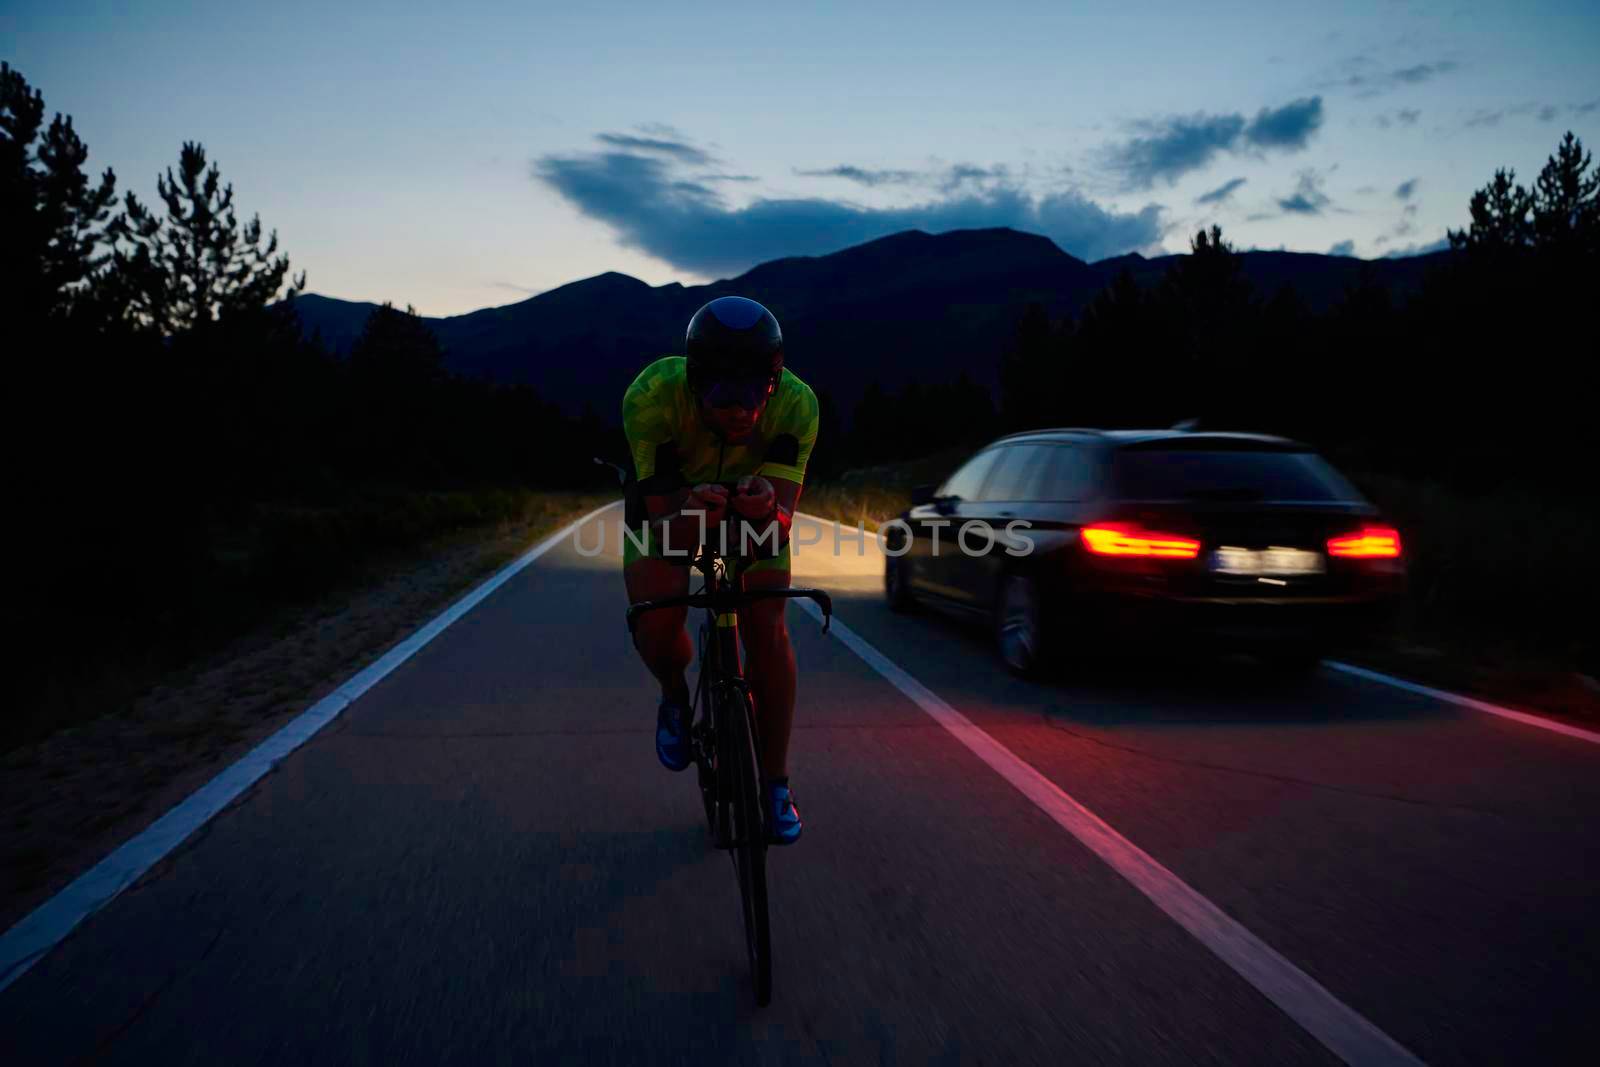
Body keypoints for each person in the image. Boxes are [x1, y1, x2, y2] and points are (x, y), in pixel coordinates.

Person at [621, 296, 819, 845]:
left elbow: (779, 523)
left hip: (747, 510)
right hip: (673, 510)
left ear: (775, 383)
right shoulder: (652, 396)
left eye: (756, 391)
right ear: (693, 381)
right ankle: (674, 694)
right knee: (655, 627)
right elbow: (665, 525)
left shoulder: (798, 405)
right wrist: (691, 509)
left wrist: (766, 510)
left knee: (768, 631)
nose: (741, 408)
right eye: (723, 393)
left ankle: (775, 784)